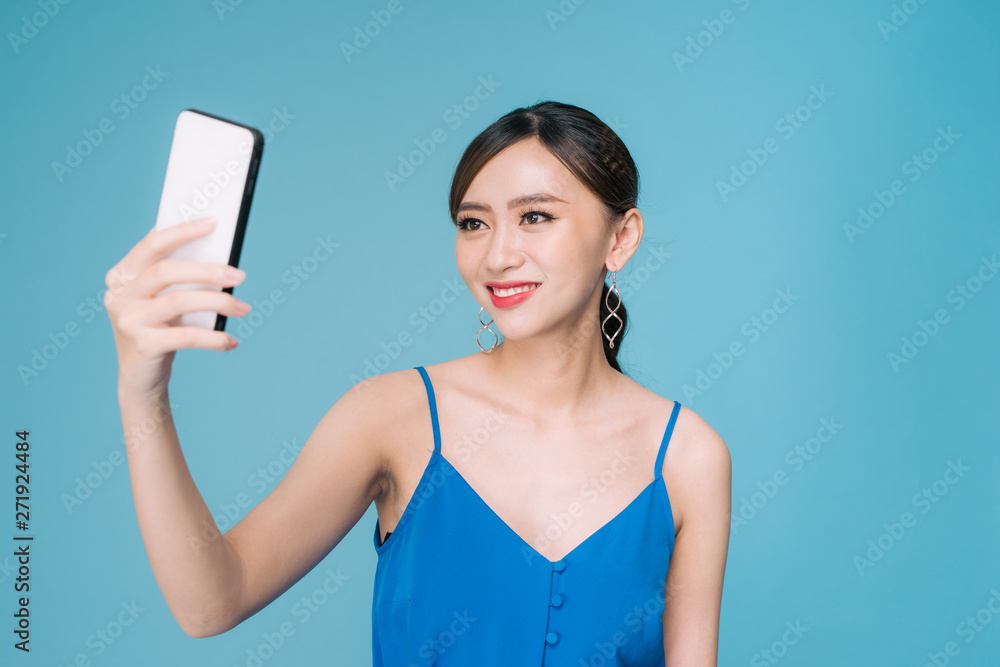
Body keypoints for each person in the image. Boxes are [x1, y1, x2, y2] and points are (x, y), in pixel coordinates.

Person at [105, 100, 731, 665]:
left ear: (620, 239)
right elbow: (212, 600)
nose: (497, 255)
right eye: (473, 222)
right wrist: (142, 393)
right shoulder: (389, 417)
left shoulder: (688, 457)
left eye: (535, 217)